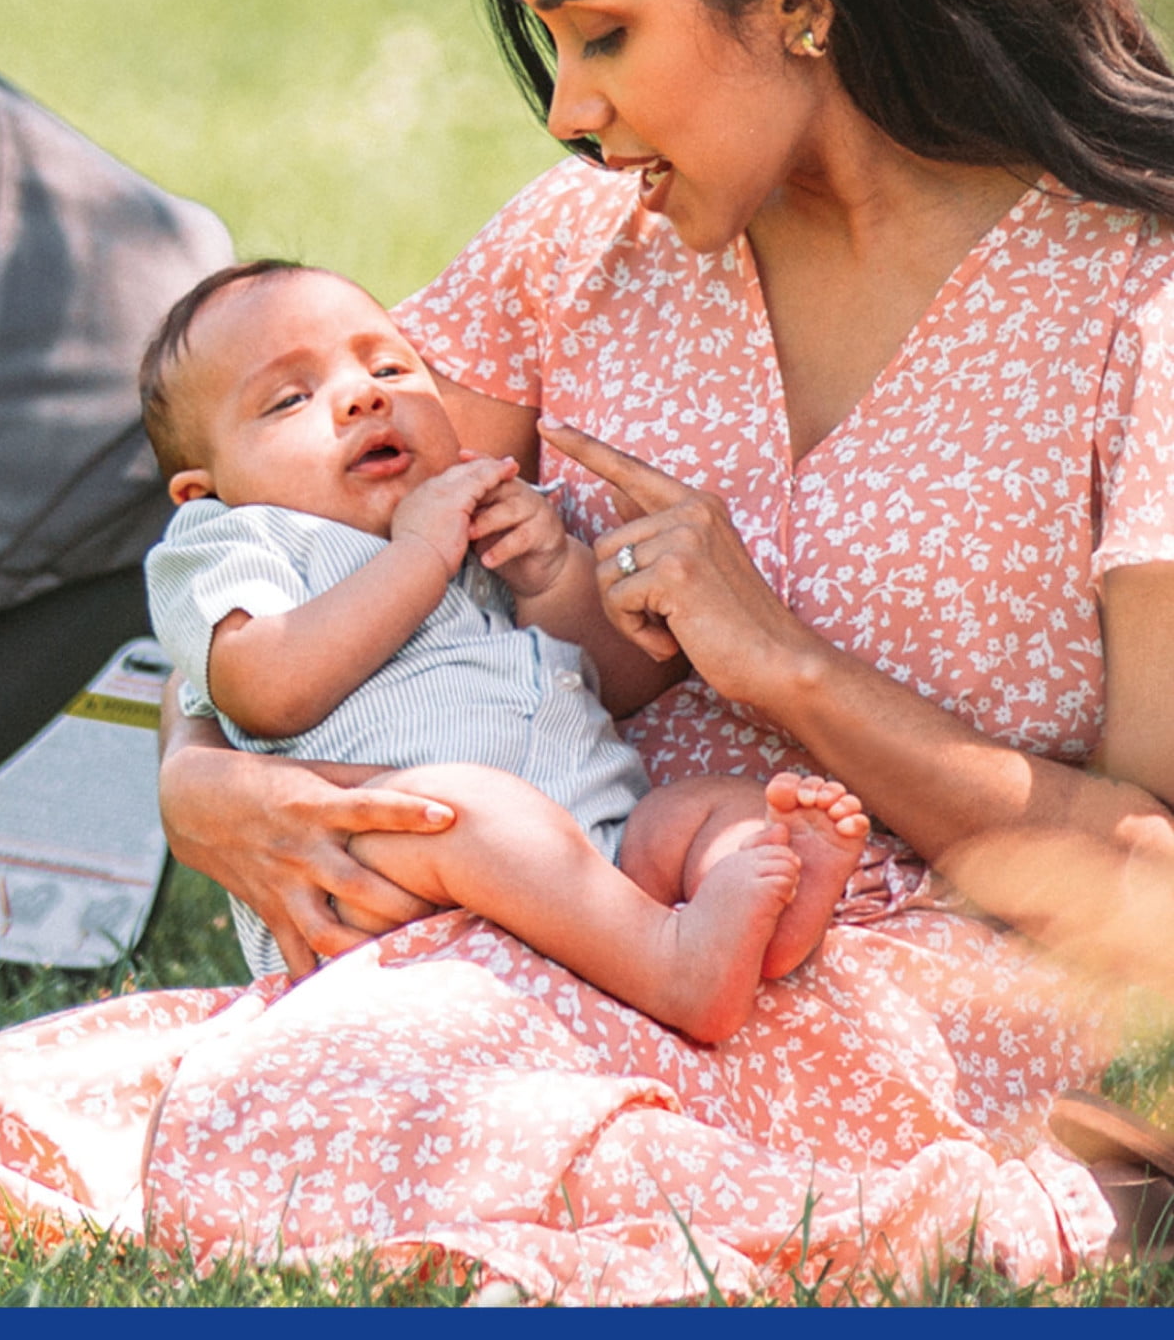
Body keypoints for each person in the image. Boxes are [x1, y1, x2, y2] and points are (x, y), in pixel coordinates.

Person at [0, 0, 1174, 1301]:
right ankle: (655, 1210)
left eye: (603, 31)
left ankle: (873, 1207)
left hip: (871, 981)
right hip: (530, 941)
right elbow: (303, 529)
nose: (566, 109)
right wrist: (203, 776)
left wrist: (787, 674)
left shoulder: (1137, 305)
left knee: (433, 1105)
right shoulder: (576, 253)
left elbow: (1146, 884)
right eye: (549, 39)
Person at [140, 256, 866, 1040]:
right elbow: (267, 688)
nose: (363, 396)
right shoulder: (236, 542)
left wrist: (550, 574)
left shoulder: (465, 511)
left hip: (596, 863)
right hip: (386, 872)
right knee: (472, 806)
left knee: (707, 812)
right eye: (290, 399)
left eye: (389, 368)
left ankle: (764, 932)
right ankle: (678, 972)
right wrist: (420, 555)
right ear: (202, 490)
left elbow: (628, 682)